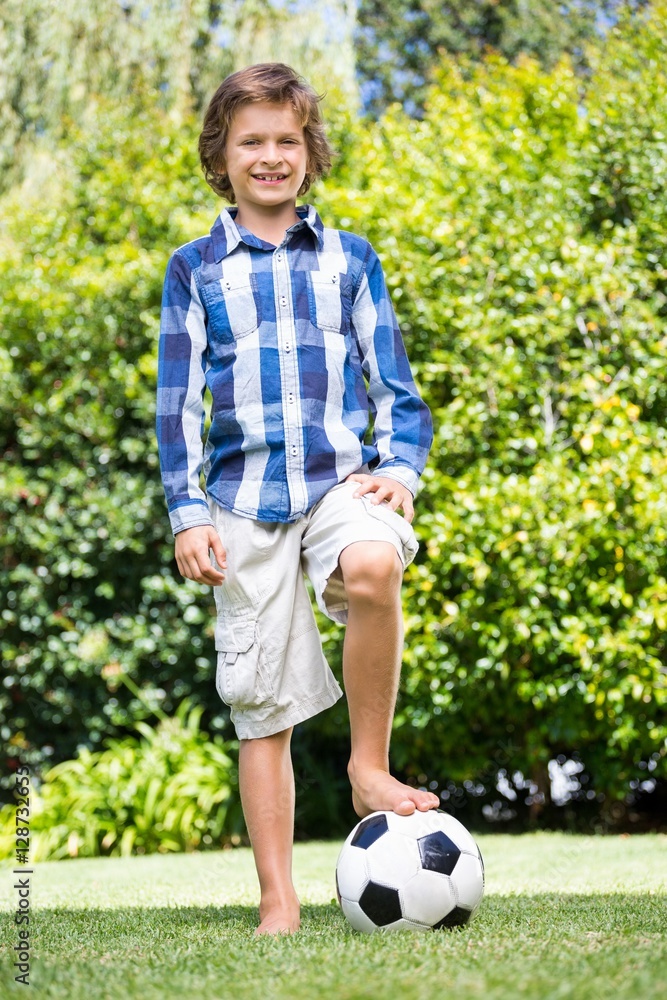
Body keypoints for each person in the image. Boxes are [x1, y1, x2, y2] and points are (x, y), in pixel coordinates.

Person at [156, 62, 439, 936]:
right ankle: (278, 896)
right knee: (262, 706)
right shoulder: (194, 268)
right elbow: (177, 405)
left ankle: (366, 767)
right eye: (252, 142)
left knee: (371, 563)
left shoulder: (351, 260)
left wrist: (402, 468)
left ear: (309, 152)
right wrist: (188, 512)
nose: (270, 156)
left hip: (337, 484)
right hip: (241, 504)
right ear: (222, 156)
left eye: (286, 140)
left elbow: (393, 383)